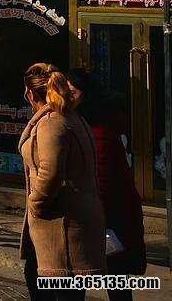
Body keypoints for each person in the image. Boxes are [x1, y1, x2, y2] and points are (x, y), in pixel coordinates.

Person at [19, 63, 106, 299]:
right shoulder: (72, 117)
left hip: (61, 224)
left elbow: (51, 172)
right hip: (69, 220)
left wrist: (36, 204)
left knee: (54, 287)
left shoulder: (52, 123)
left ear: (31, 94)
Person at [67, 69, 146, 300]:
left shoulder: (97, 128)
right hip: (100, 211)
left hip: (108, 213)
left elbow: (103, 178)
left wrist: (91, 213)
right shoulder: (85, 122)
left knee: (108, 273)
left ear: (86, 94)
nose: (67, 98)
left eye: (72, 92)